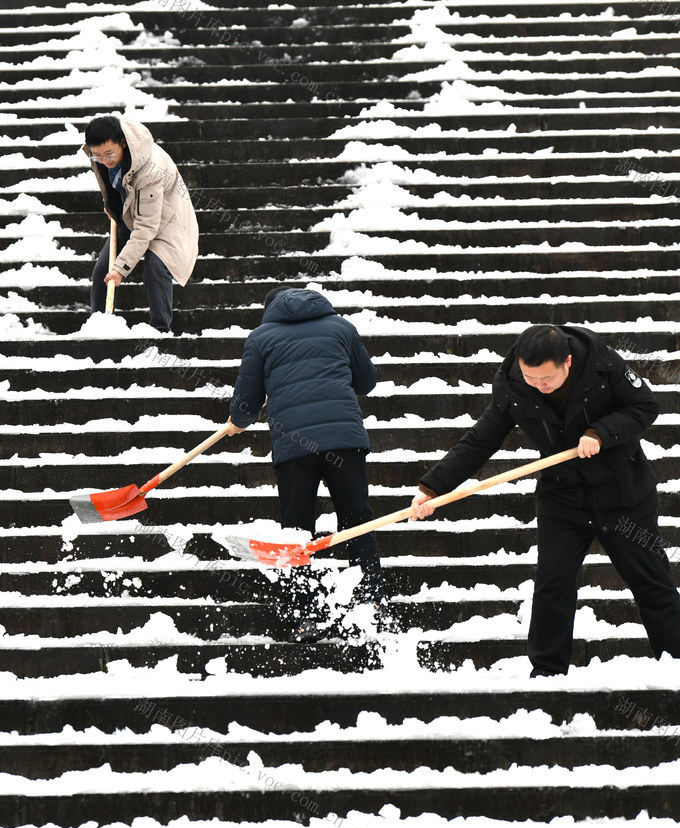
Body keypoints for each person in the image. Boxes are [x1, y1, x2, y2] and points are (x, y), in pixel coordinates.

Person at [410, 324, 680, 676]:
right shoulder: (513, 386)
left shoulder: (603, 365)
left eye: (547, 379)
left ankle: (675, 658)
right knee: (554, 582)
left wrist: (601, 432)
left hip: (623, 492)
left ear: (567, 362)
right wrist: (433, 487)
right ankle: (548, 671)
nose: (538, 386)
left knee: (651, 579)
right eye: (530, 377)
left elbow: (645, 405)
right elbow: (480, 441)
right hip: (562, 497)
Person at [226, 286, 382, 638]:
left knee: (296, 529)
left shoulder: (261, 337)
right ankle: (369, 601)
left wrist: (239, 418)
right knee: (357, 519)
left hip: (294, 446)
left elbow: (247, 399)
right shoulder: (341, 327)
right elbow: (367, 381)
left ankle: (303, 615)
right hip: (344, 441)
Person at [83, 114, 199, 332]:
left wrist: (121, 270)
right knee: (102, 271)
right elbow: (115, 182)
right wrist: (113, 206)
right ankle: (98, 326)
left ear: (123, 143)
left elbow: (146, 228)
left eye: (109, 153)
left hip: (167, 220)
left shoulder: (150, 169)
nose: (104, 160)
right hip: (131, 214)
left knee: (156, 267)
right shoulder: (99, 155)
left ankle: (160, 331)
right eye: (97, 155)